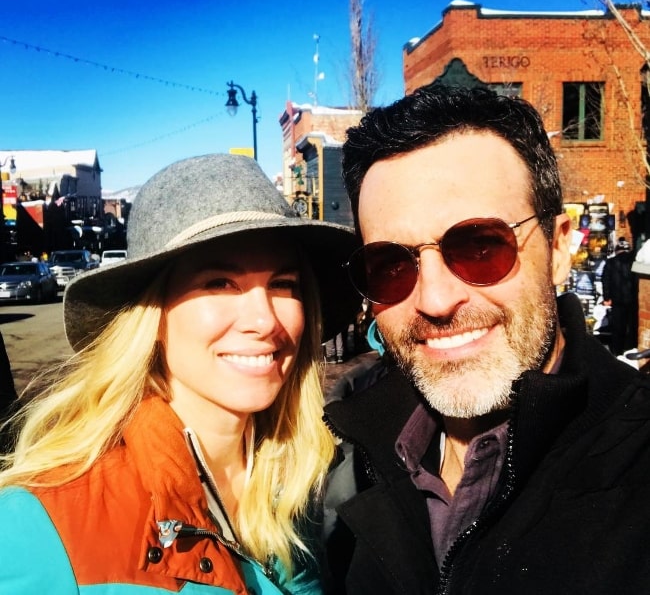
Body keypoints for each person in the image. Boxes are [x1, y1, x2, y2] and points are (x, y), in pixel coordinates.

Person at [323, 84, 650, 593]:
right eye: (390, 266)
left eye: (479, 246)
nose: (435, 300)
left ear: (559, 248)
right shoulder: (354, 457)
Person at [0, 154, 360, 594]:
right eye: (219, 283)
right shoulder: (40, 525)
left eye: (283, 284)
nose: (264, 321)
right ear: (153, 317)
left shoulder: (304, 483)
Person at [601, 237, 638, 355]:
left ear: (617, 250)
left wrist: (607, 297)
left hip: (617, 299)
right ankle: (631, 348)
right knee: (632, 325)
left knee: (618, 327)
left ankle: (616, 351)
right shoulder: (634, 262)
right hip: (632, 300)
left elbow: (605, 281)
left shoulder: (610, 262)